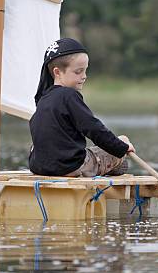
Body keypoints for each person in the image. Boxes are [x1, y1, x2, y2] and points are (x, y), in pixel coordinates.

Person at [28, 38, 134, 177]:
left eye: (85, 71)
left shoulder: (43, 99)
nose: (84, 76)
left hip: (39, 167)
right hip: (69, 168)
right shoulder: (69, 95)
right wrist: (122, 147)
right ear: (57, 72)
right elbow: (93, 129)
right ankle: (117, 165)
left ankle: (111, 165)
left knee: (90, 150)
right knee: (123, 139)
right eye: (78, 72)